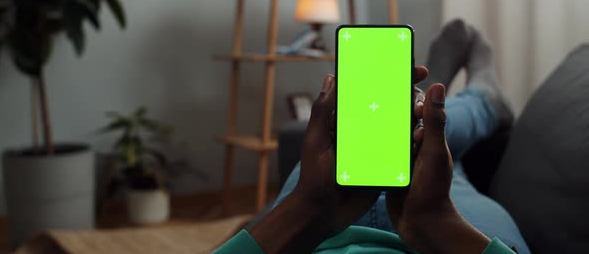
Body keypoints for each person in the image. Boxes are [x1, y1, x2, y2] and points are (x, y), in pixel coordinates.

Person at [214, 20, 530, 254]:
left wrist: (306, 210)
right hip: (442, 238)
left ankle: (462, 100)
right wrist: (436, 221)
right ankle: (484, 102)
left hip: (312, 234)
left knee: (406, 136)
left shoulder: (311, 209)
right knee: (431, 143)